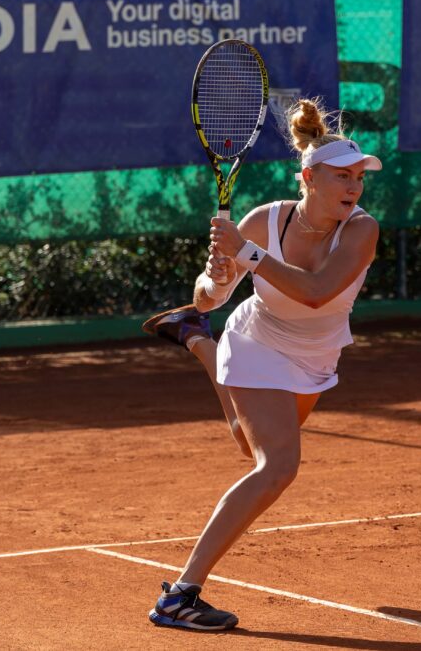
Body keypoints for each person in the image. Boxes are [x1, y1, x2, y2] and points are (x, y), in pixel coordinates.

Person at [142, 98, 382, 631]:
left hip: (316, 354)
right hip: (258, 339)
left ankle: (196, 342)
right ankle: (180, 595)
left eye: (359, 178)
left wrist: (245, 255)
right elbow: (209, 297)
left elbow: (317, 292)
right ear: (309, 178)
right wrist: (213, 278)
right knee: (277, 466)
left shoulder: (362, 230)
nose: (353, 187)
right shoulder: (263, 221)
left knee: (249, 446)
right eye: (342, 176)